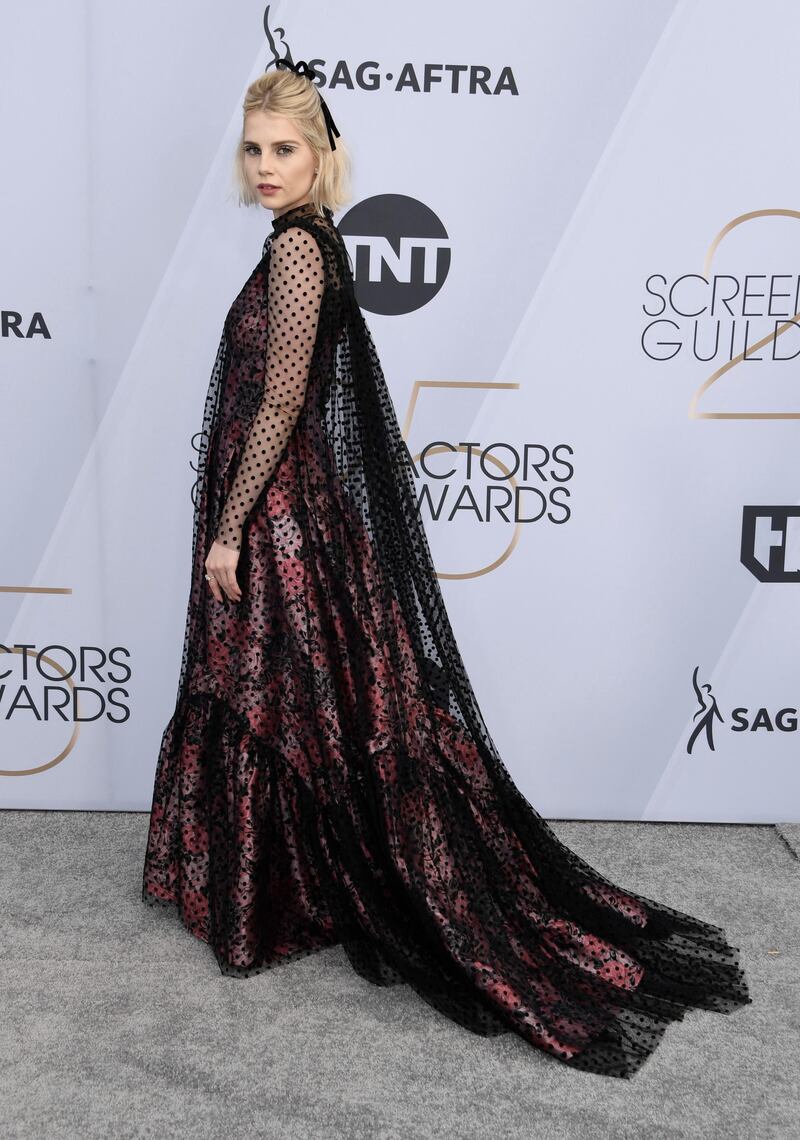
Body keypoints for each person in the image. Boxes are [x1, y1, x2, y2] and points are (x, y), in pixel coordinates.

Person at [142, 59, 752, 1079]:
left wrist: (229, 529)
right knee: (312, 707)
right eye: (251, 151)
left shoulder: (299, 254)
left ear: (322, 152)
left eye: (283, 149)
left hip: (282, 521)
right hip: (294, 515)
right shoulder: (308, 246)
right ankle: (298, 889)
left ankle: (287, 896)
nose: (264, 168)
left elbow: (282, 405)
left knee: (282, 701)